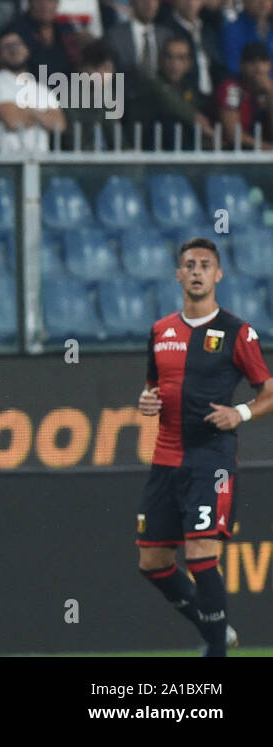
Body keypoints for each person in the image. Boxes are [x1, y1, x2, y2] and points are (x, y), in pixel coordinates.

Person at [136, 237, 273, 657]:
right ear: (178, 275)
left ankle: (216, 652)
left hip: (210, 460)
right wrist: (145, 401)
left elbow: (267, 391)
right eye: (189, 264)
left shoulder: (237, 332)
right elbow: (152, 389)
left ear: (218, 275)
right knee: (153, 563)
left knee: (200, 556)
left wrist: (241, 414)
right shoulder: (160, 331)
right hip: (166, 457)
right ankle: (216, 630)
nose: (197, 271)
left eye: (205, 265)